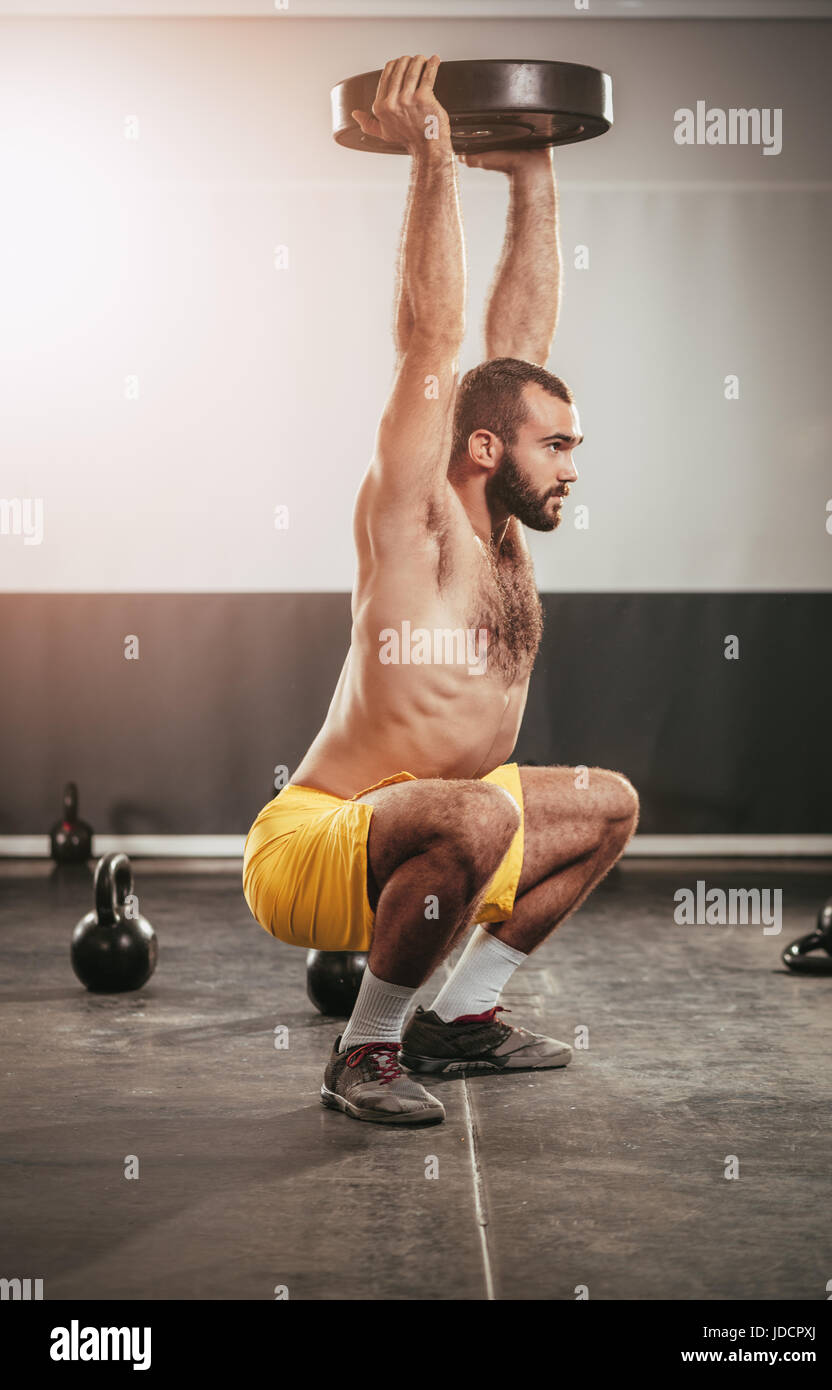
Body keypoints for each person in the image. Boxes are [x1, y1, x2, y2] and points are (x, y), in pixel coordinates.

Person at [243, 54, 639, 1126]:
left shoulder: (501, 526)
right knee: (470, 810)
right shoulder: (416, 521)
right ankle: (361, 1053)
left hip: (451, 829)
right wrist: (429, 155)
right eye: (554, 445)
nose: (568, 464)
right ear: (480, 447)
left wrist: (532, 177)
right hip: (317, 843)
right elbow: (431, 339)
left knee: (607, 804)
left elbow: (515, 349)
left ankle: (457, 1020)